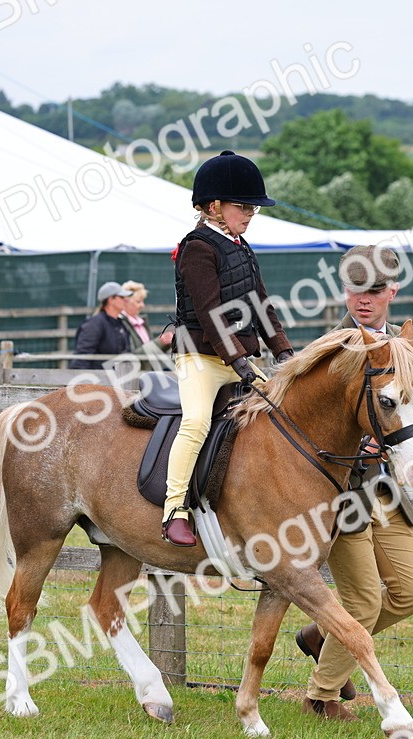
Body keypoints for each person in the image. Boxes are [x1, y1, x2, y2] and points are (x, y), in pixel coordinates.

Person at [293, 244, 413, 721]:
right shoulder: (333, 347)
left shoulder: (399, 342)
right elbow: (301, 423)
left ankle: (320, 635)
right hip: (343, 491)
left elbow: (409, 404)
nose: (362, 299)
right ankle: (322, 696)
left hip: (385, 490)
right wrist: (358, 441)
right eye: (354, 289)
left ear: (392, 291)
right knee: (365, 600)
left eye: (373, 290)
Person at [162, 150, 293, 547]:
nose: (251, 213)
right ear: (214, 206)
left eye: (253, 207)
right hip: (200, 357)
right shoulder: (197, 247)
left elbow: (262, 305)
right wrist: (238, 361)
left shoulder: (242, 247)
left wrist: (286, 354)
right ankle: (174, 509)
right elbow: (210, 311)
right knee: (197, 421)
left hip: (240, 360)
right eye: (244, 206)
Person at [68, 281, 134, 371]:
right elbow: (82, 358)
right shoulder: (94, 324)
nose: (126, 300)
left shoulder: (121, 324)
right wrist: (84, 383)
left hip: (116, 379)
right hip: (98, 380)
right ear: (111, 300)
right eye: (121, 297)